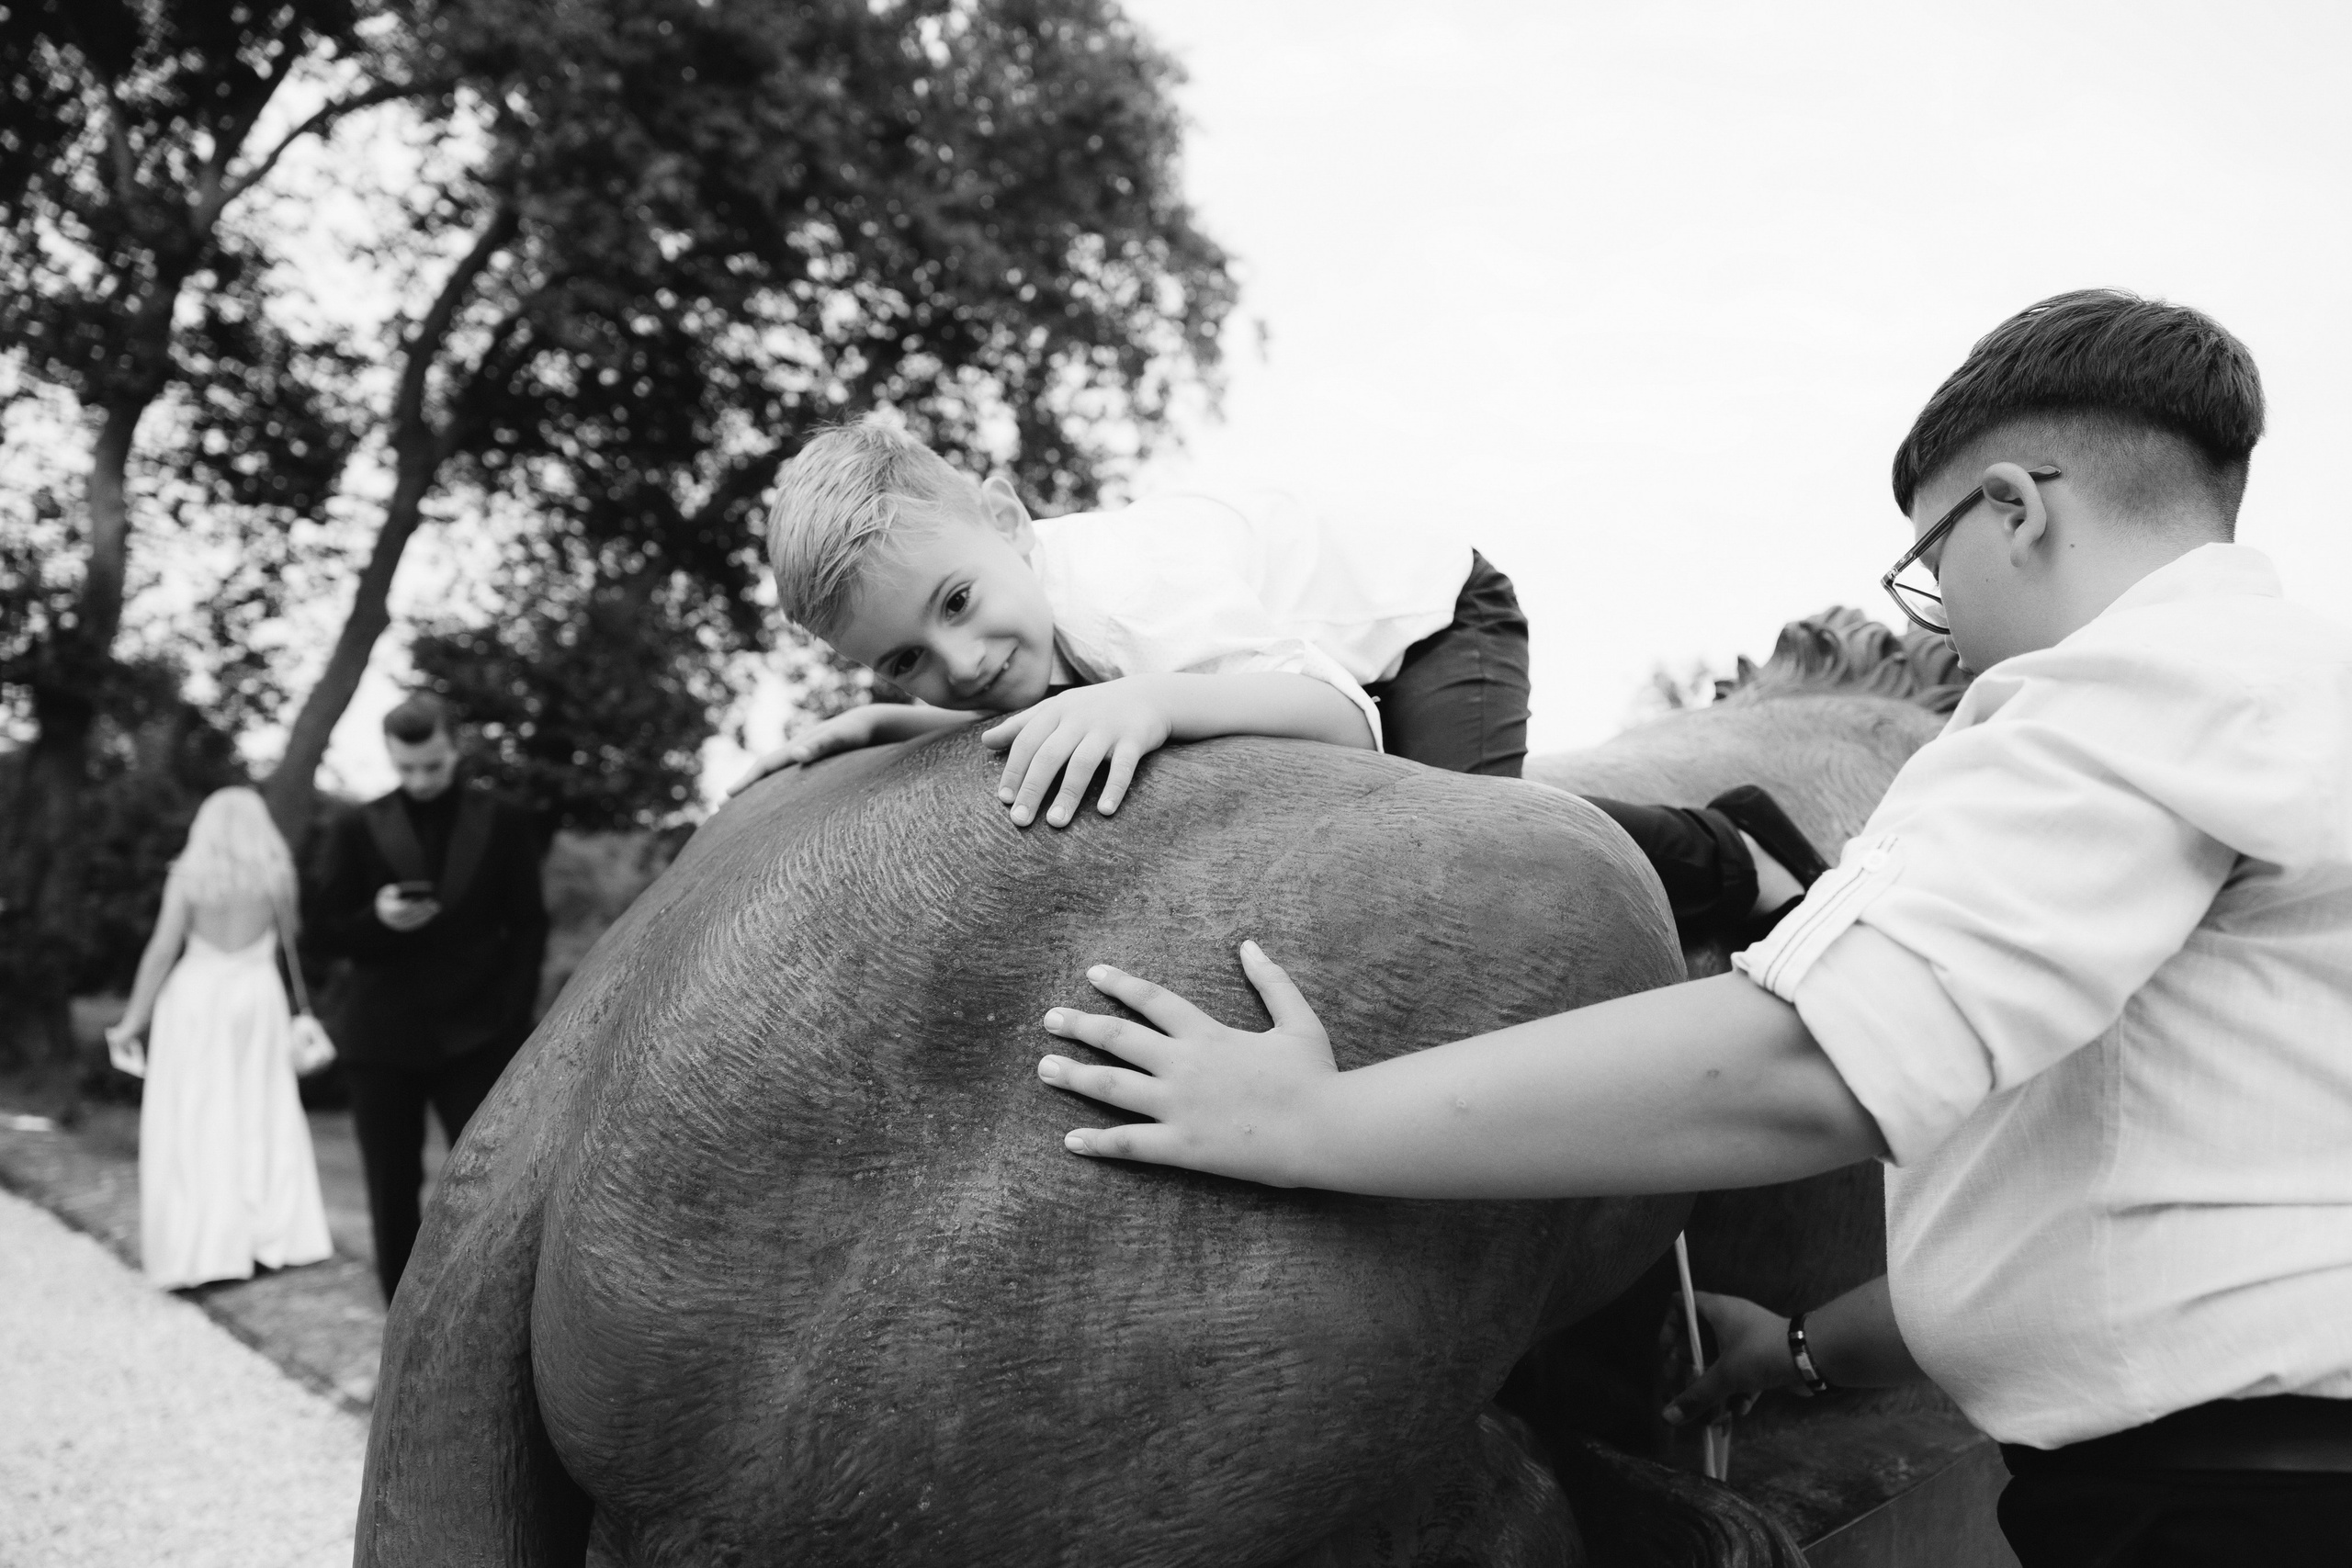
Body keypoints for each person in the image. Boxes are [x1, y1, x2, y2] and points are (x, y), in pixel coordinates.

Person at [1027, 290, 2352, 1565]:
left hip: (2233, 1508)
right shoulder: (2280, 702)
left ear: (2013, 507)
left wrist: (1311, 1122)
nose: (1941, 625)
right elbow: (2135, 1201)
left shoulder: (2140, 684)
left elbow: (1816, 1061)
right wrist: (1802, 1349)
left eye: (1928, 569)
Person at [741, 417, 1819, 948]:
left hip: (1429, 619)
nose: (962, 665)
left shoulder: (1132, 595)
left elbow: (1341, 724)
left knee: (1465, 838)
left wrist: (1152, 700)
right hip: (1296, 649)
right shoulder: (1004, 629)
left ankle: (1733, 854)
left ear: (1008, 520)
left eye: (956, 604)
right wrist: (894, 725)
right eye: (906, 660)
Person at [308, 694, 547, 1301]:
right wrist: (378, 919)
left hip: (479, 1034)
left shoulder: (505, 819)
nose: (418, 781)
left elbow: (528, 925)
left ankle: (488, 1308)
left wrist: (513, 1019)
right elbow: (325, 931)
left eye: (432, 766)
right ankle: (399, 1317)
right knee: (390, 1187)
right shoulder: (356, 824)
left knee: (493, 1184)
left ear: (455, 746)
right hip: (380, 1035)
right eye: (405, 768)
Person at [105, 787, 334, 1291]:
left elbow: (162, 949)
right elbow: (292, 936)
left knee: (195, 1114)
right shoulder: (278, 876)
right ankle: (264, 1236)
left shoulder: (189, 877)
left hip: (196, 1001)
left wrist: (132, 1021)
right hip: (256, 999)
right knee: (260, 1111)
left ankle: (202, 1243)